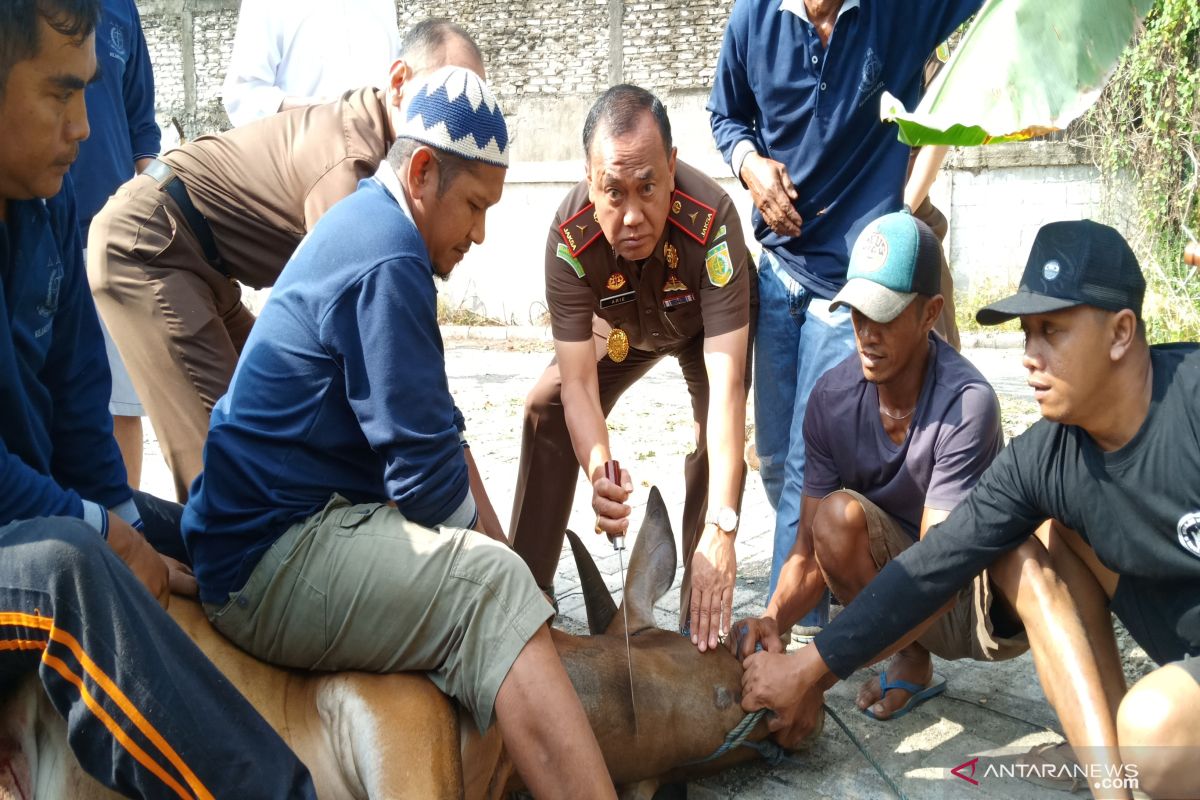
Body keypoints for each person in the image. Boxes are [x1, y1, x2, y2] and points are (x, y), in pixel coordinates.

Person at [182, 66, 616, 800]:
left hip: (290, 526)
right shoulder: (388, 254)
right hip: (269, 560)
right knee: (494, 591)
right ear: (420, 172)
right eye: (475, 206)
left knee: (498, 575)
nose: (480, 234)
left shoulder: (369, 226)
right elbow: (425, 483)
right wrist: (510, 587)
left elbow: (436, 432)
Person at [740, 220, 1200, 800]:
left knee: (1153, 726)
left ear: (1120, 332)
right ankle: (1104, 766)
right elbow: (930, 567)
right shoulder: (1045, 462)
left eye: (1052, 330)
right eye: (1025, 333)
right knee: (1057, 534)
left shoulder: (1191, 402)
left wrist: (807, 672)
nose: (1030, 357)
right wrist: (801, 662)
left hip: (1156, 689)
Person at [0, 2, 316, 796]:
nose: (84, 127)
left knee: (208, 530)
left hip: (23, 526)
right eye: (59, 94)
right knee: (74, 568)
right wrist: (99, 529)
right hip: (23, 548)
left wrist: (127, 520)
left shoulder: (49, 211)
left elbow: (77, 418)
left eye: (89, 94)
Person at [89, 19, 482, 501]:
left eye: (473, 97)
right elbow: (393, 360)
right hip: (152, 245)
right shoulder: (352, 169)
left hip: (207, 264)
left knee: (270, 423)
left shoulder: (401, 167)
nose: (460, 114)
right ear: (398, 84)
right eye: (444, 91)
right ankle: (165, 569)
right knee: (229, 478)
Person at [707, 0, 984, 635]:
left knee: (807, 463)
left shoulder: (898, 14)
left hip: (853, 288)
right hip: (779, 268)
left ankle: (786, 640)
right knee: (774, 457)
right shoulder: (753, 17)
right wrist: (751, 166)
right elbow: (727, 114)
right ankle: (819, 589)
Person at [736, 211, 1026, 723]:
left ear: (930, 312)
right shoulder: (831, 398)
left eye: (885, 315)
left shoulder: (967, 405)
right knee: (834, 519)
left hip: (968, 604)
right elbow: (806, 557)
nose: (866, 333)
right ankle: (911, 660)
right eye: (857, 313)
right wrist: (773, 621)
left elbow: (938, 578)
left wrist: (808, 674)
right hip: (906, 588)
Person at [509, 85, 755, 652]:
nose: (632, 216)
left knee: (707, 443)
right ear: (589, 180)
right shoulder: (569, 240)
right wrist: (598, 470)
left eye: (648, 188)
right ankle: (525, 597)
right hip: (621, 328)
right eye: (613, 193)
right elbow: (576, 383)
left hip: (701, 327)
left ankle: (703, 613)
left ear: (671, 167)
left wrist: (724, 526)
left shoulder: (713, 220)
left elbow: (727, 391)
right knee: (544, 405)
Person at [69, 0, 158, 488]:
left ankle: (127, 522)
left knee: (123, 398)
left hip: (114, 239)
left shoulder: (121, 10)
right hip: (34, 226)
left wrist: (158, 216)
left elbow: (141, 125)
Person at [221, 0, 400, 127]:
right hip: (300, 165)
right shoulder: (266, 5)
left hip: (379, 165)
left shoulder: (382, 4)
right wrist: (319, 111)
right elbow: (242, 96)